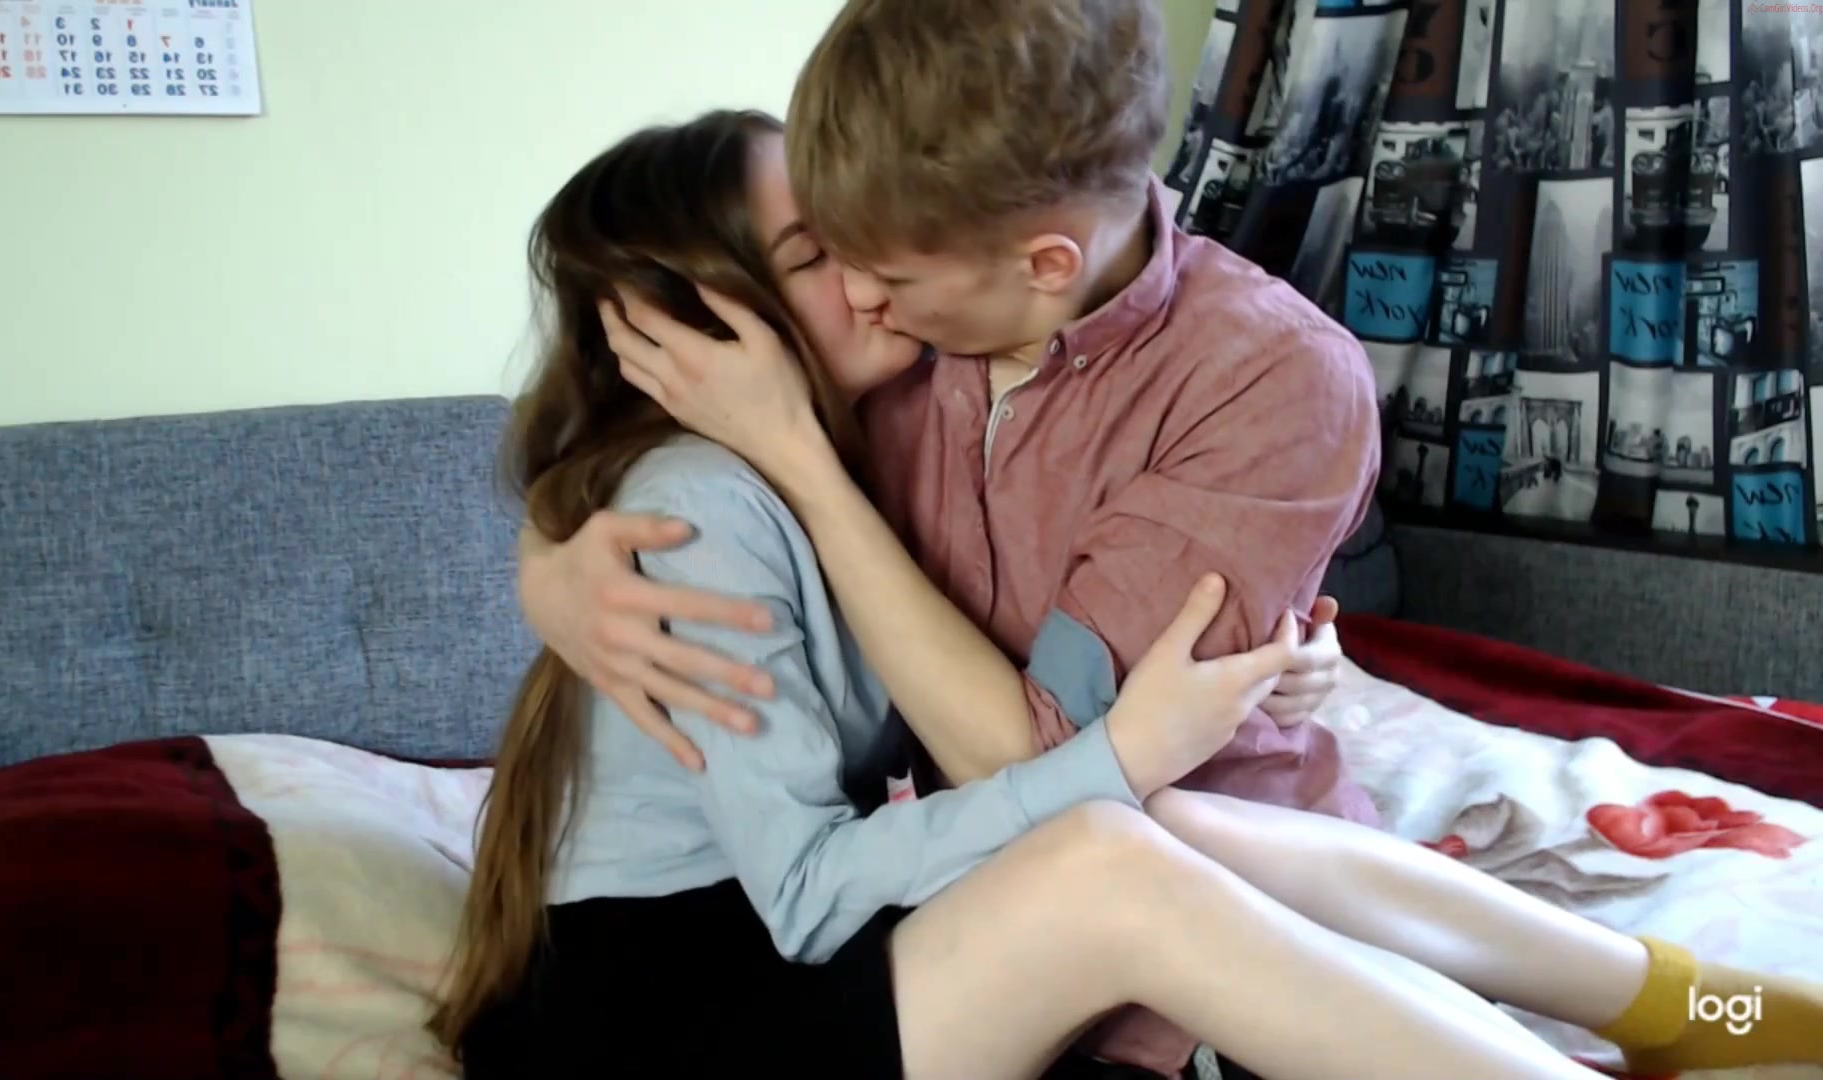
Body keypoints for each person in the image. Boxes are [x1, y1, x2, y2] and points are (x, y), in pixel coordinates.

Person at [526, 2, 1823, 1077]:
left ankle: (1685, 1007)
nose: (867, 282)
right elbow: (842, 845)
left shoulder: (1213, 372)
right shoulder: (789, 440)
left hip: (883, 918)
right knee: (1118, 843)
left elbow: (1008, 753)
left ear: (1038, 262)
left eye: (867, 254)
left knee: (1168, 828)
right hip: (709, 993)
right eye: (824, 250)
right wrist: (545, 563)